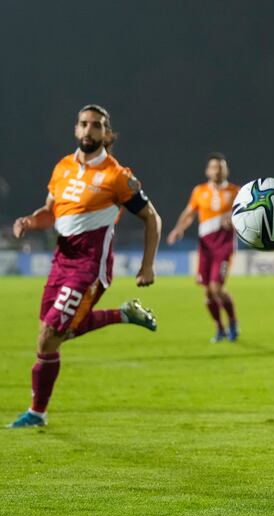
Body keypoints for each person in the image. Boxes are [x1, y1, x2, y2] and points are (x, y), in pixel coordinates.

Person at [8, 104, 161, 428]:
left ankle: (37, 414)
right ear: (76, 129)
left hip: (89, 268)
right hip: (60, 261)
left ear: (107, 134)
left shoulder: (117, 176)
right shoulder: (63, 167)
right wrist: (30, 222)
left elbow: (152, 218)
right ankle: (122, 314)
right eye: (84, 124)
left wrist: (148, 266)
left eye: (97, 125)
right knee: (50, 336)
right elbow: (50, 212)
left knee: (50, 335)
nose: (89, 130)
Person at [167, 153, 240, 342]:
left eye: (221, 167)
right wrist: (178, 229)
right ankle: (219, 328)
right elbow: (189, 213)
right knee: (207, 293)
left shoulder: (236, 192)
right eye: (214, 167)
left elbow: (248, 215)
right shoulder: (199, 191)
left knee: (216, 288)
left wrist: (232, 218)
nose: (218, 170)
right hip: (206, 247)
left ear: (226, 170)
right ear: (208, 171)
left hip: (224, 246)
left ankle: (232, 321)